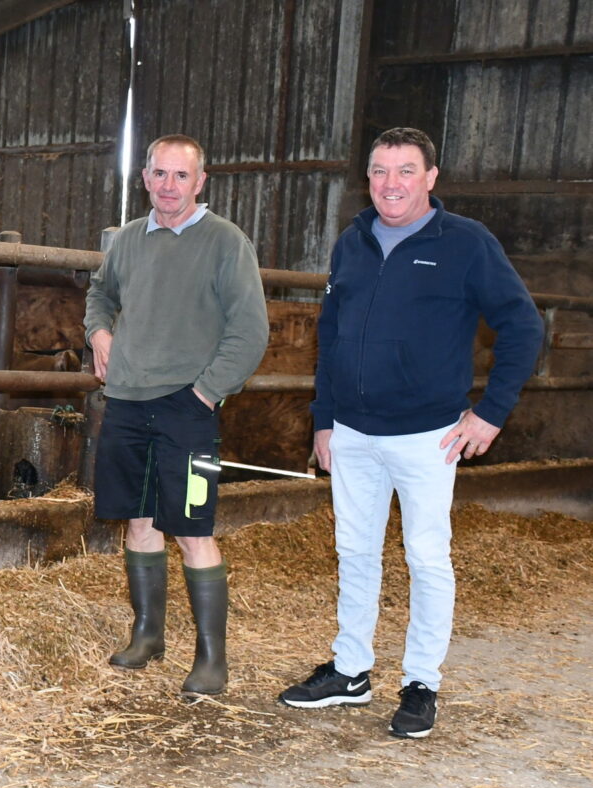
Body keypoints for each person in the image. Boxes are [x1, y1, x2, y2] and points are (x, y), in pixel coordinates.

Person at [279, 127, 544, 737]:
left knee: (427, 557)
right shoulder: (353, 241)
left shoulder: (466, 244)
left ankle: (421, 682)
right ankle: (351, 670)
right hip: (352, 431)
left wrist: (492, 410)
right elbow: (331, 332)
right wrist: (324, 417)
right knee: (355, 550)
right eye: (379, 171)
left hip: (429, 434)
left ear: (430, 178)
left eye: (404, 171)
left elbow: (523, 326)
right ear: (367, 178)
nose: (390, 184)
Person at [84, 134, 269, 695]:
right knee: (138, 520)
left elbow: (250, 330)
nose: (169, 186)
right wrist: (98, 332)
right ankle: (148, 633)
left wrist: (208, 392)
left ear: (200, 181)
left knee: (192, 527)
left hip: (188, 407)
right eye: (159, 174)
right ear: (145, 178)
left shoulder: (224, 242)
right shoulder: (130, 241)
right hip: (127, 401)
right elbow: (100, 292)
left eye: (180, 176)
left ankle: (212, 656)